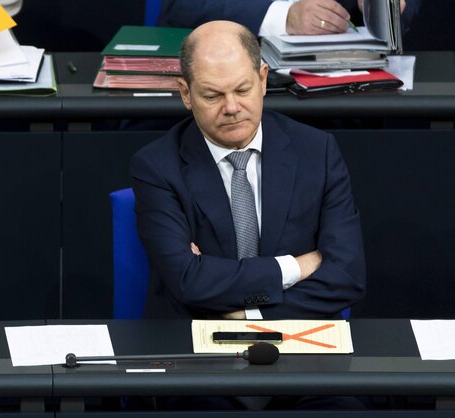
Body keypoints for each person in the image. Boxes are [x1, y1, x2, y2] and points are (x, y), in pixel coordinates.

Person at [131, 20, 365, 322]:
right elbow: (188, 281)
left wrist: (247, 313)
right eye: (212, 96)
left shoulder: (317, 152)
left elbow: (347, 276)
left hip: (299, 340)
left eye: (243, 89)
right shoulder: (157, 166)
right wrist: (296, 267)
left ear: (263, 80)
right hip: (192, 343)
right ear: (186, 94)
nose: (231, 107)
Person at [158, 0, 419, 37]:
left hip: (349, 96)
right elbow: (181, 6)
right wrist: (284, 18)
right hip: (228, 88)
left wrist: (386, 8)